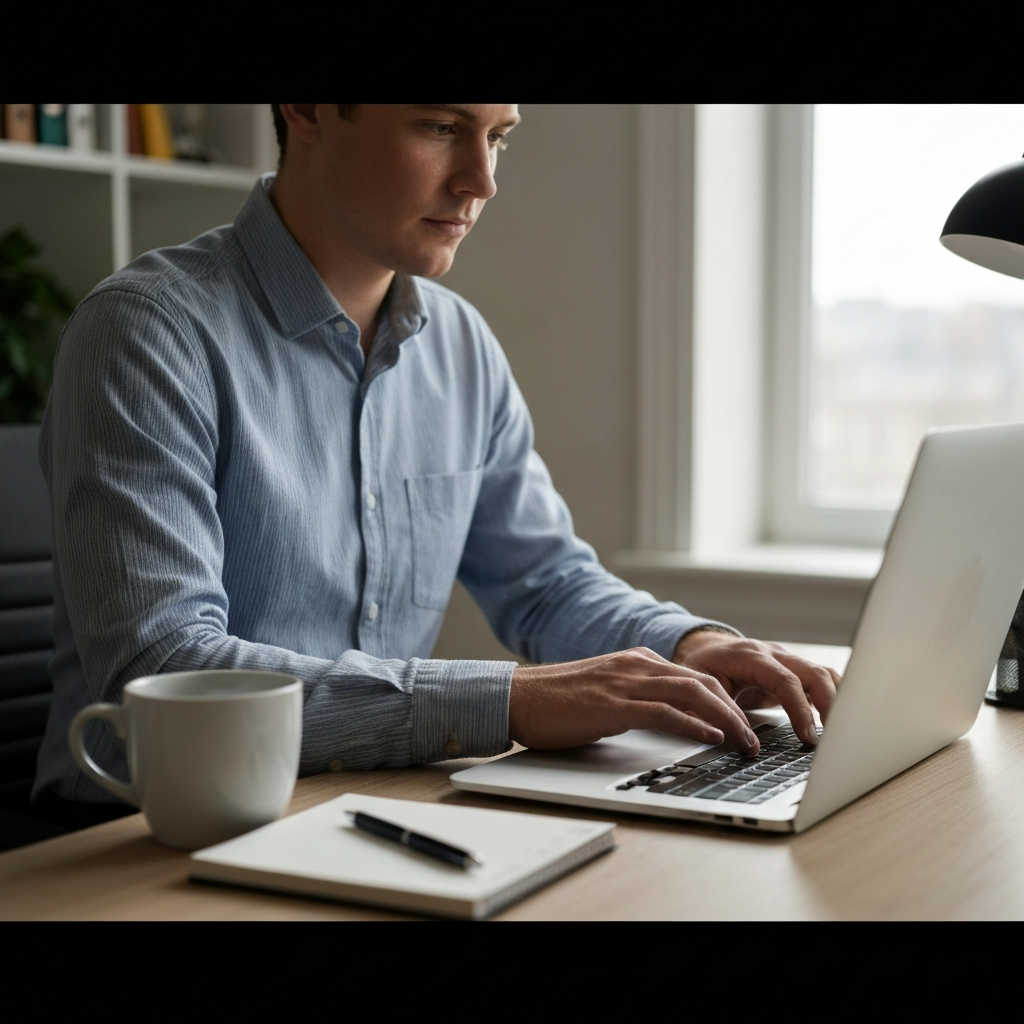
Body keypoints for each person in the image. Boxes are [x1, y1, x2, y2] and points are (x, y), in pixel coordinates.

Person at [33, 104, 839, 820]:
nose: (481, 181)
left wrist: (685, 643)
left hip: (360, 812)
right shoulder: (145, 333)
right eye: (442, 128)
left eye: (499, 138)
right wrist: (509, 701)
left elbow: (545, 582)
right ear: (307, 110)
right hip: (143, 840)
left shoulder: (459, 346)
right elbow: (162, 668)